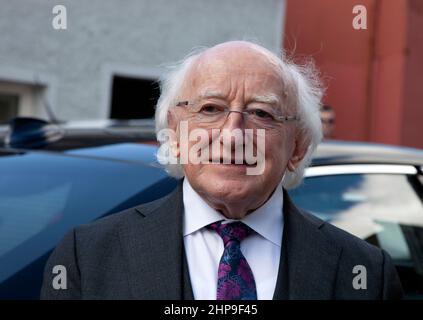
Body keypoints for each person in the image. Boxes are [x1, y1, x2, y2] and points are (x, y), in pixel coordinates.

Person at [41, 41, 403, 300]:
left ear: (298, 147)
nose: (232, 136)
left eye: (262, 113)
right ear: (175, 133)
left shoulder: (366, 273)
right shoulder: (87, 256)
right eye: (211, 108)